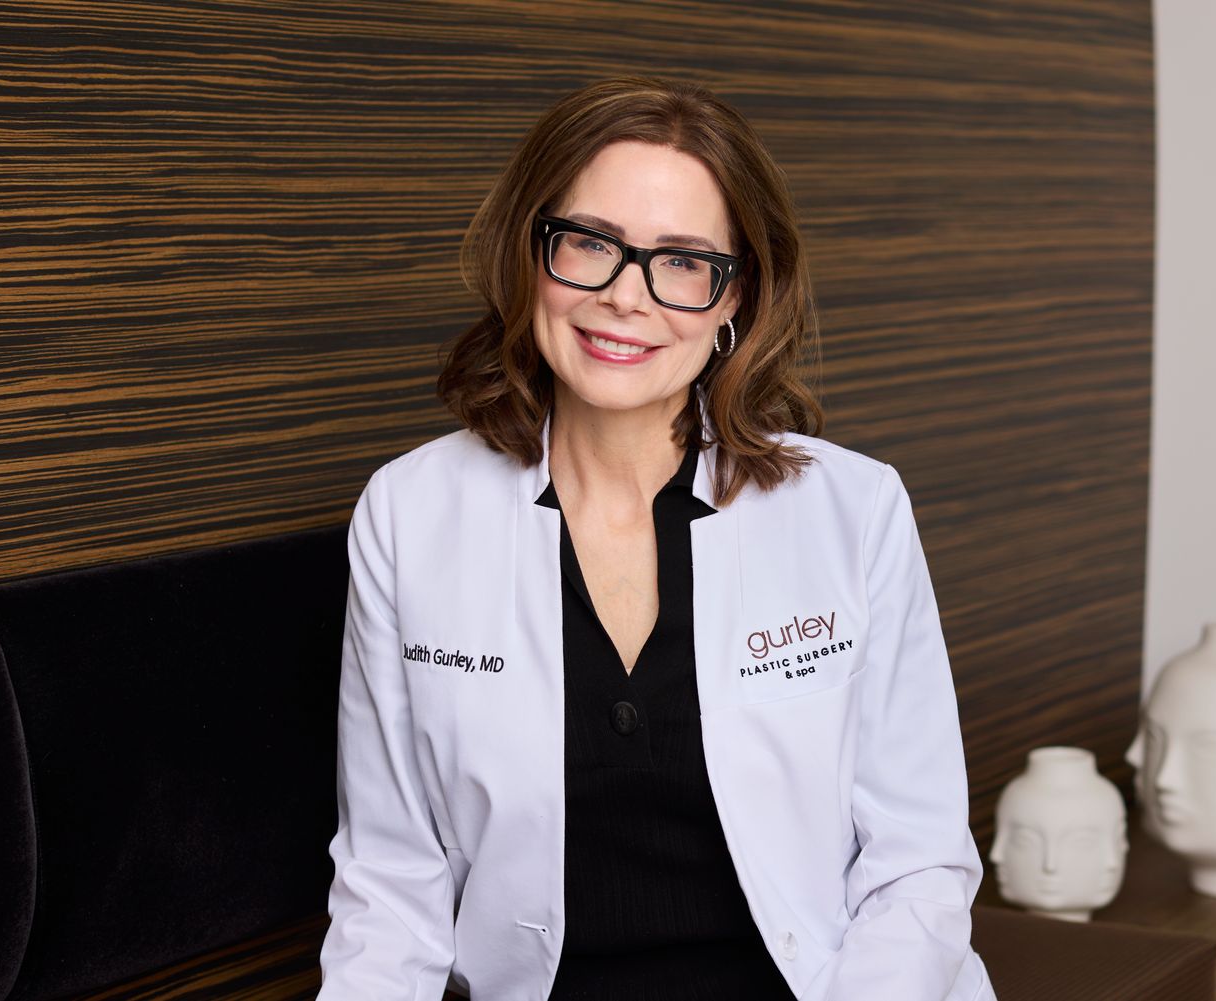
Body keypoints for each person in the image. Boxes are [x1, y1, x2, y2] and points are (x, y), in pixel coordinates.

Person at [317, 77, 996, 1001]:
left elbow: (915, 864)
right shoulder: (408, 514)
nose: (625, 297)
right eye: (590, 243)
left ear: (735, 298)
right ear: (532, 254)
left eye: (681, 262)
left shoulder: (855, 509)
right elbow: (390, 883)